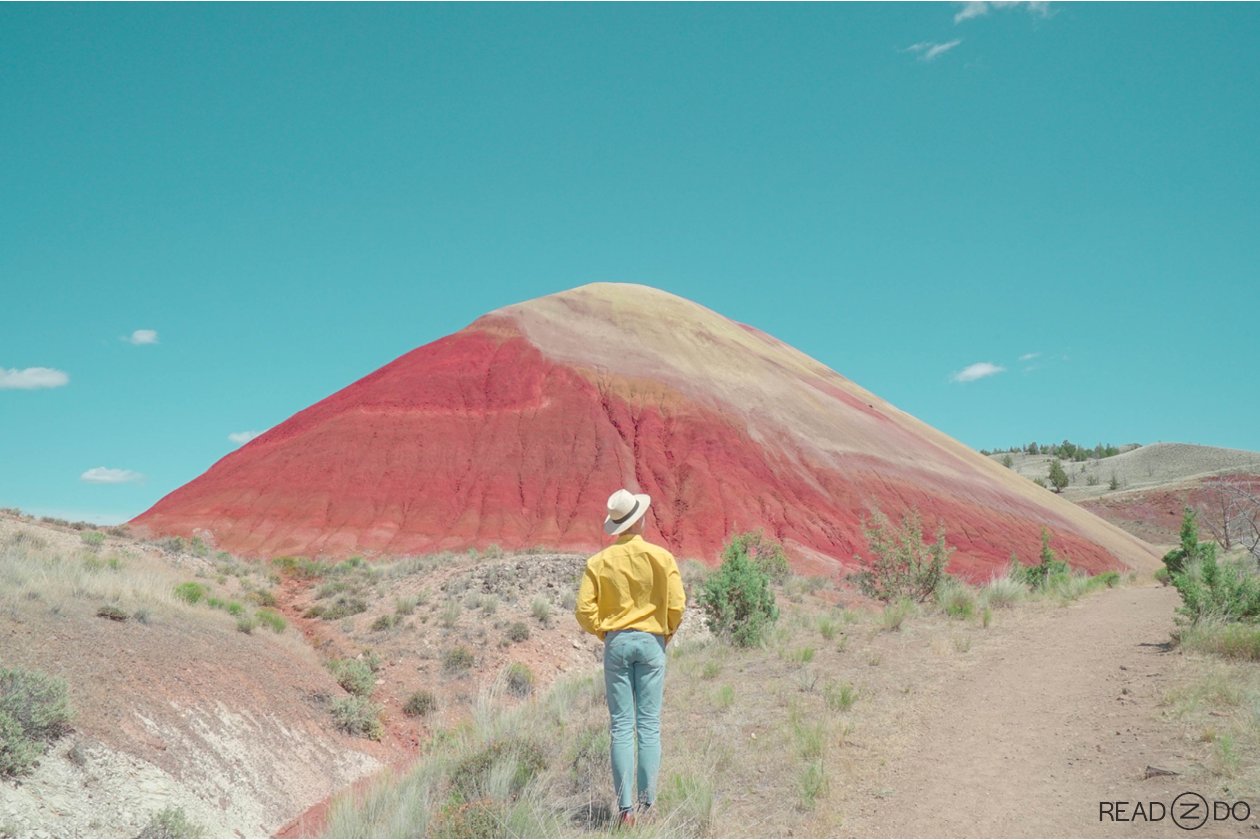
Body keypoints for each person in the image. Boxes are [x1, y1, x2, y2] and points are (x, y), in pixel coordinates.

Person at [575, 489, 686, 827]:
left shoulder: (598, 562)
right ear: (639, 519)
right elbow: (678, 605)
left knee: (622, 726)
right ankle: (648, 805)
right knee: (648, 726)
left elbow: (583, 610)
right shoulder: (662, 557)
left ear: (617, 525)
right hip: (652, 642)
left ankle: (625, 813)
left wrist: (605, 632)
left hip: (617, 643)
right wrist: (663, 634)